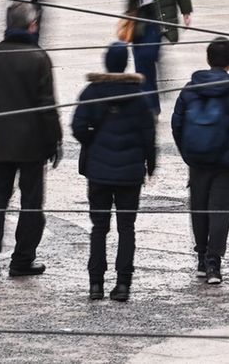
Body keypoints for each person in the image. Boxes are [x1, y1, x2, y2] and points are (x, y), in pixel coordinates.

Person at [0, 2, 61, 277]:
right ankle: (22, 259)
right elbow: (46, 105)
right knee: (31, 201)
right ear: (32, 26)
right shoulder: (38, 57)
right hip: (31, 145)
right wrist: (54, 140)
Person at [172, 38, 229, 284]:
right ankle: (214, 263)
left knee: (198, 208)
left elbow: (176, 124)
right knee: (221, 211)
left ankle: (201, 258)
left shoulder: (190, 88)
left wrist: (187, 153)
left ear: (208, 58)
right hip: (227, 162)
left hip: (198, 160)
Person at [73, 43, 156, 302]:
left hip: (98, 171)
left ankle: (95, 284)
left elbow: (77, 127)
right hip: (130, 174)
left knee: (99, 228)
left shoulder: (91, 92)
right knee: (126, 228)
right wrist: (150, 164)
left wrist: (91, 140)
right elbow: (148, 135)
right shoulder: (139, 96)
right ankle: (123, 285)